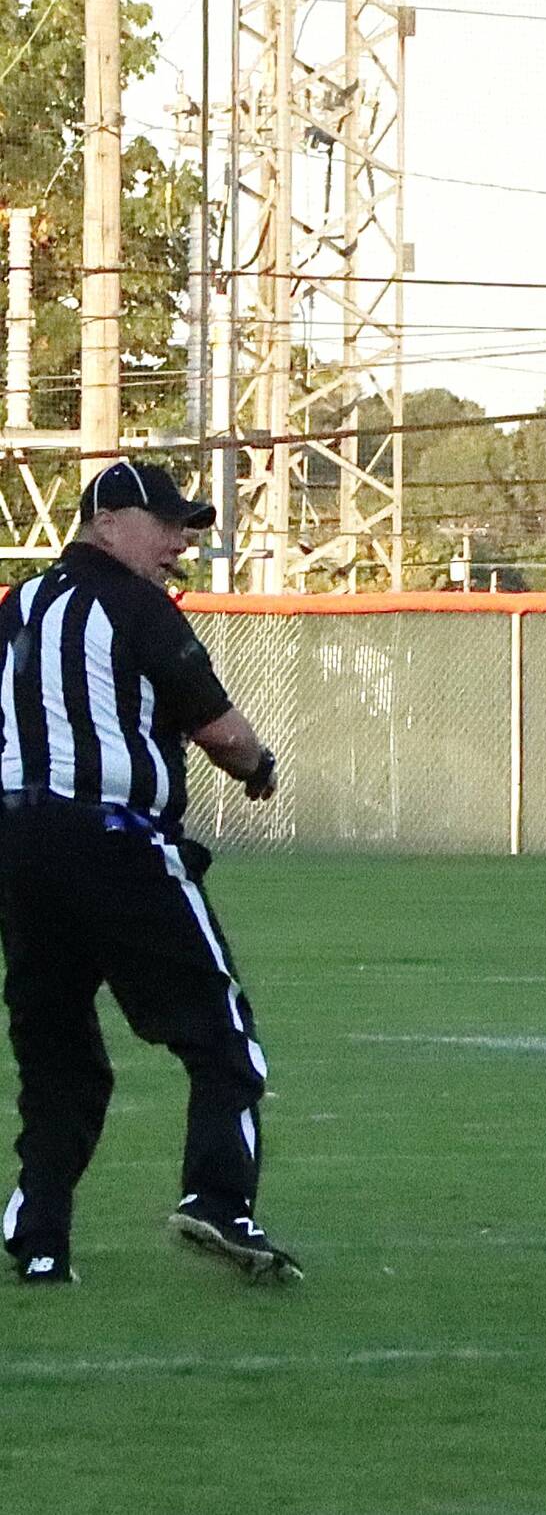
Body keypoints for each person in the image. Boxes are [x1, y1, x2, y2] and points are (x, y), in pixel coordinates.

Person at [0, 459, 299, 1286]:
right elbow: (223, 732)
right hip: (119, 842)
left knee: (56, 1050)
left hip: (21, 850)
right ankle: (218, 1200)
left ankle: (41, 1237)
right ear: (109, 520)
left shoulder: (19, 608)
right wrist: (258, 765)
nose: (179, 545)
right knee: (222, 1037)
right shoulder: (133, 606)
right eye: (167, 525)